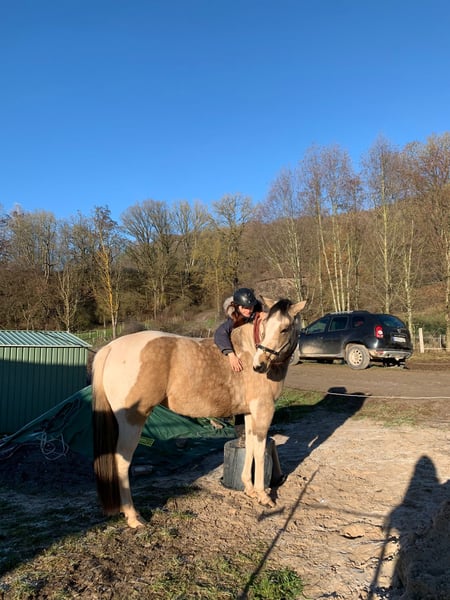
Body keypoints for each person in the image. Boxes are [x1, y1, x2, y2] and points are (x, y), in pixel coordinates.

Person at [214, 287, 262, 372]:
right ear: (237, 307)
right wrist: (231, 355)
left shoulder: (257, 314)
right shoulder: (232, 321)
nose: (249, 311)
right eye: (245, 307)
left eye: (251, 307)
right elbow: (220, 333)